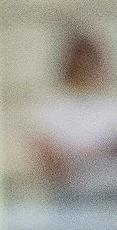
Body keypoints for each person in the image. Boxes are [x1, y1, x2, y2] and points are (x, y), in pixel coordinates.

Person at [29, 28, 117, 201]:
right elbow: (46, 155)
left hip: (108, 196)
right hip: (64, 198)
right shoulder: (47, 108)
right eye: (80, 60)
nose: (86, 68)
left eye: (92, 61)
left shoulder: (111, 108)